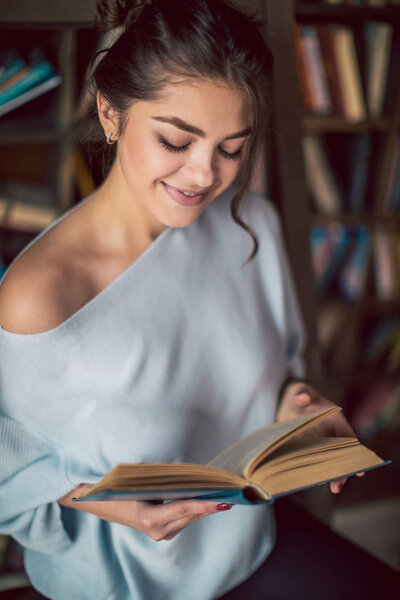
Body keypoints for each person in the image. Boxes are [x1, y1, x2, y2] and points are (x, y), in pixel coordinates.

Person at [0, 1, 398, 599]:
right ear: (110, 112)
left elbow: (276, 376)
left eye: (231, 149)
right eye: (174, 140)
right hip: (126, 583)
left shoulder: (250, 228)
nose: (203, 175)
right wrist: (102, 506)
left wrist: (298, 409)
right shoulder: (39, 299)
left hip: (248, 544)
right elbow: (12, 471)